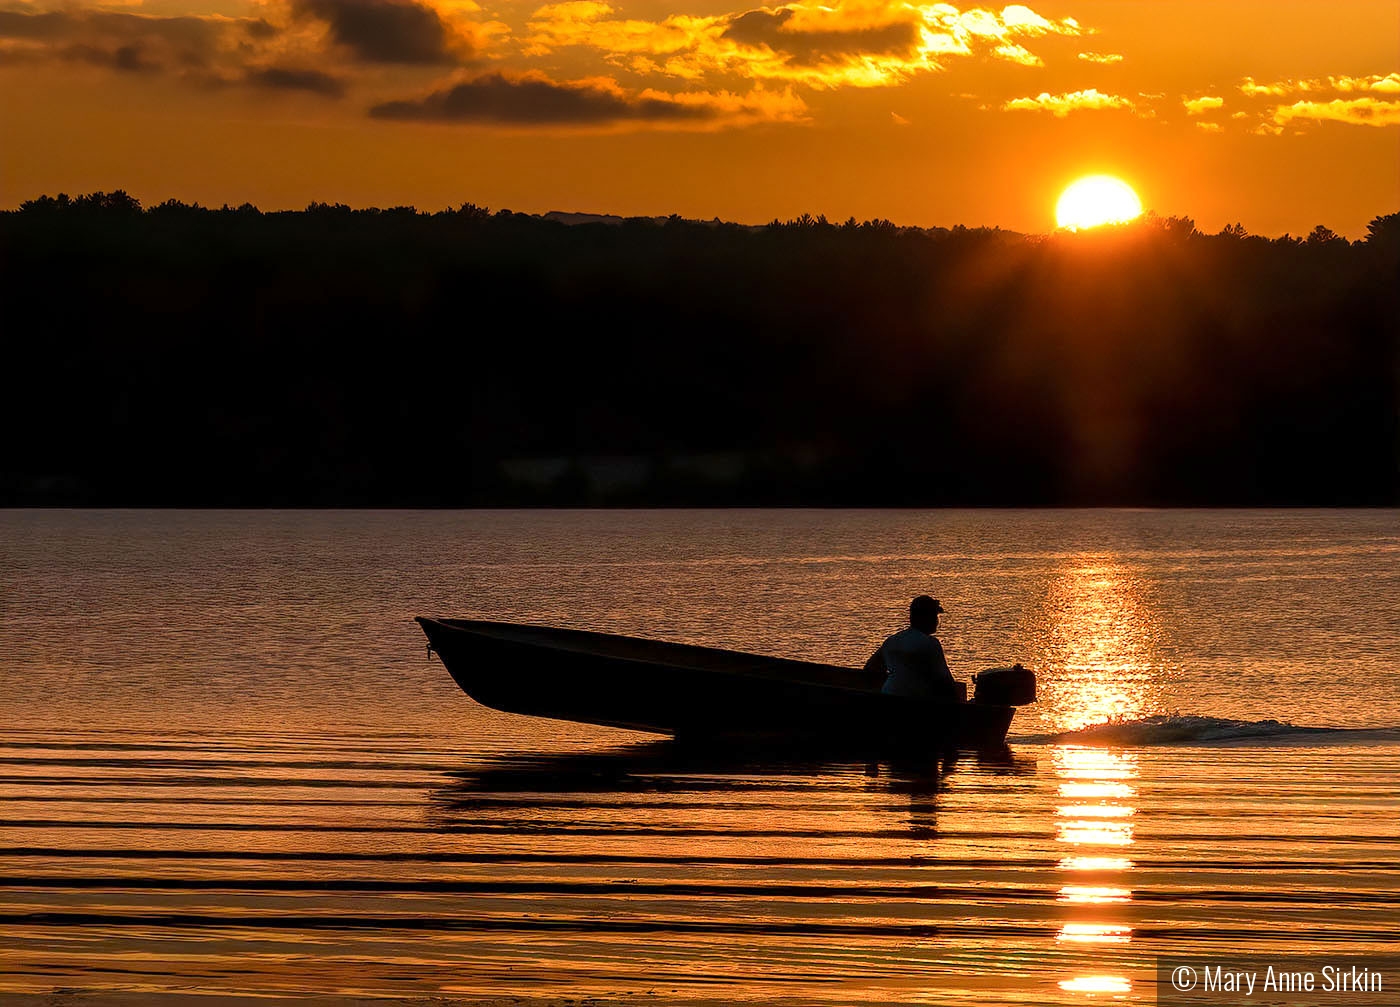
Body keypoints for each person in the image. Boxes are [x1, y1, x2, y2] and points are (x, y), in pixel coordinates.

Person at [864, 596, 960, 700]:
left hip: (888, 696)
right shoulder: (930, 643)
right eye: (934, 616)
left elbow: (871, 667)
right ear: (924, 618)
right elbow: (946, 682)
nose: (936, 620)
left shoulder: (891, 640)